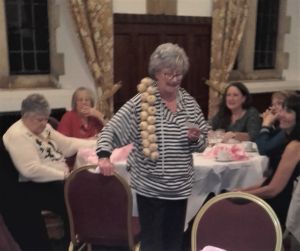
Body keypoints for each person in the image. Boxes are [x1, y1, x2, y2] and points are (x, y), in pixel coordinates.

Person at [96, 43, 209, 251]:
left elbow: (202, 144)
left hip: (180, 189)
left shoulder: (190, 104)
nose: (175, 79)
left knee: (174, 244)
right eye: (169, 74)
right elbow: (110, 130)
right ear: (156, 73)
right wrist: (104, 156)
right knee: (153, 245)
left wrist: (195, 139)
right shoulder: (141, 103)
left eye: (179, 74)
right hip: (151, 189)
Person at [2, 93, 95, 251]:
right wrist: (66, 176)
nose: (45, 123)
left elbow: (66, 145)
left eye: (46, 118)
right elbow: (31, 169)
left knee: (82, 191)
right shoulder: (17, 135)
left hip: (52, 181)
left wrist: (93, 143)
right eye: (40, 120)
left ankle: (79, 240)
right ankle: (75, 241)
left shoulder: (44, 127)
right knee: (75, 195)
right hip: (27, 189)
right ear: (26, 116)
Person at [239, 94, 300, 228]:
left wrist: (242, 195)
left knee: (230, 209)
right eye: (282, 109)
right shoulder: (286, 136)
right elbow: (270, 179)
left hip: (281, 206)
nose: (281, 114)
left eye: (288, 111)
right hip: (275, 197)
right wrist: (241, 191)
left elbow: (274, 190)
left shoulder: (295, 146)